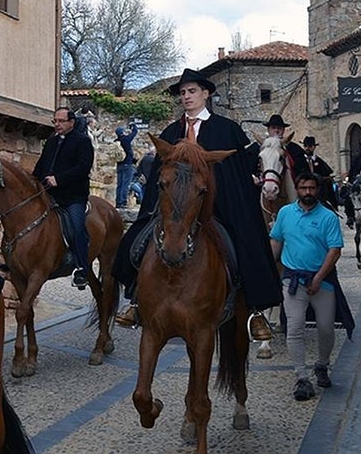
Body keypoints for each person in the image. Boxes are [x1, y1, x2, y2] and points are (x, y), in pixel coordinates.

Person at [113, 68, 282, 337]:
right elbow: (160, 173)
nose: (186, 96)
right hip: (174, 208)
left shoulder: (227, 130)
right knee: (135, 241)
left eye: (191, 91)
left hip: (218, 206)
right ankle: (135, 300)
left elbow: (239, 170)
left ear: (206, 94)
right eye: (182, 92)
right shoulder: (170, 132)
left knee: (248, 239)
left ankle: (255, 310)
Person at [269, 172, 353, 401]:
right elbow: (276, 240)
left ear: (317, 190)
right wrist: (267, 269)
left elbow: (334, 250)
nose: (308, 192)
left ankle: (322, 365)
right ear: (297, 189)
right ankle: (301, 376)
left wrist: (318, 278)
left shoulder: (328, 217)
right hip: (293, 281)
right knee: (294, 328)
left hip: (322, 281)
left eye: (312, 188)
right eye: (304, 188)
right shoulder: (285, 213)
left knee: (326, 328)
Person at [33, 107, 95, 289]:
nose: (57, 125)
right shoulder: (51, 142)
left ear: (71, 122)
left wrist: (58, 179)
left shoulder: (83, 141)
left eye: (61, 121)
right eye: (55, 121)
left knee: (76, 226)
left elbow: (83, 168)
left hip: (73, 196)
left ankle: (82, 268)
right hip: (49, 194)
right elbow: (40, 167)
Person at [295, 136, 338, 214]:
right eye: (305, 146)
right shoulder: (298, 161)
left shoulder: (320, 162)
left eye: (310, 146)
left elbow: (327, 177)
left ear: (314, 147)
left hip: (319, 193)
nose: (307, 148)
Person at [114, 123, 139, 209]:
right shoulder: (126, 140)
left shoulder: (116, 141)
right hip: (127, 165)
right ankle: (123, 202)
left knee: (119, 184)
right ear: (122, 132)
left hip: (119, 165)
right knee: (125, 184)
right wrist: (133, 126)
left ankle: (118, 202)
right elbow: (135, 132)